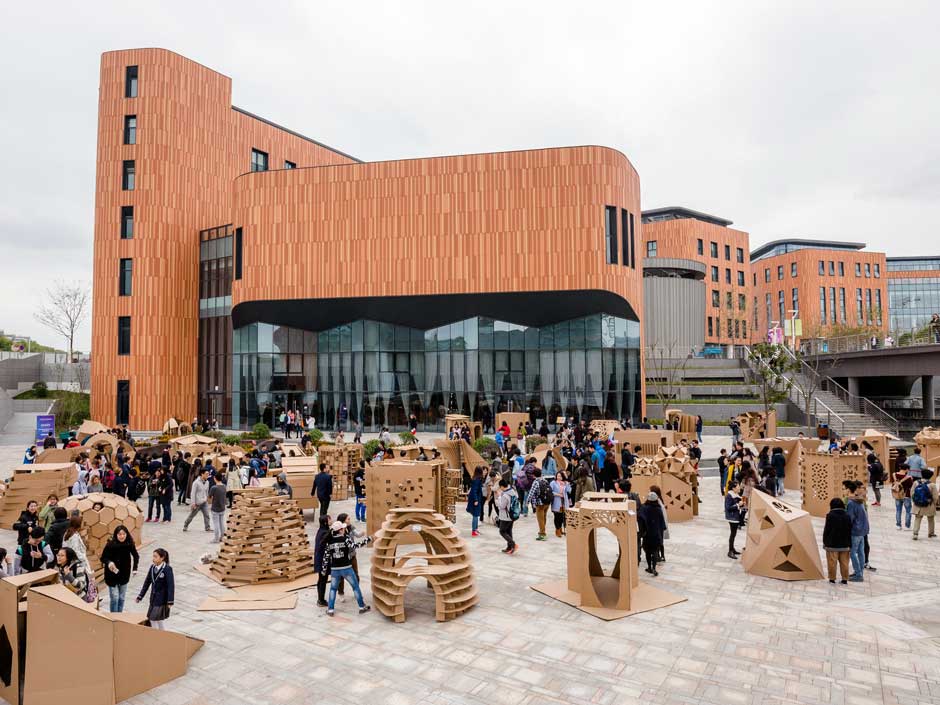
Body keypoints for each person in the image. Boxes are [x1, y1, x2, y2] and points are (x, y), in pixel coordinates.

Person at [322, 521, 372, 617]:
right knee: (355, 587)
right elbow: (355, 546)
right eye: (343, 528)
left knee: (333, 589)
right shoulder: (345, 539)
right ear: (340, 530)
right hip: (347, 568)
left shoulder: (329, 541)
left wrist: (324, 570)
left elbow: (326, 557)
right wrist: (368, 539)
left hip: (335, 570)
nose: (345, 529)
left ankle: (330, 610)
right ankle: (362, 607)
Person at [101, 524, 140, 612]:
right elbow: (103, 558)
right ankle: (114, 616)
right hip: (111, 574)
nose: (122, 536)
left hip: (124, 573)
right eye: (119, 534)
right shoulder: (110, 545)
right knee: (115, 597)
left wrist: (135, 568)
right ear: (116, 535)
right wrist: (109, 562)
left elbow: (136, 556)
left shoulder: (129, 543)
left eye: (124, 534)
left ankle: (120, 615)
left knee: (121, 598)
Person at [136, 548, 174, 630]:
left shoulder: (167, 569)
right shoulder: (152, 567)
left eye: (155, 557)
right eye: (153, 556)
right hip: (153, 599)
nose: (153, 559)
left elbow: (171, 586)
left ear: (162, 558)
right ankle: (163, 636)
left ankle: (156, 636)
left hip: (162, 600)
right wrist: (140, 596)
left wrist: (170, 601)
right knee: (158, 620)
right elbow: (146, 583)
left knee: (153, 619)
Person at [823, 498, 852, 584]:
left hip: (832, 544)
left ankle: (832, 578)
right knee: (844, 563)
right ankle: (845, 579)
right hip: (845, 543)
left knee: (832, 562)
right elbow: (849, 529)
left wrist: (825, 541)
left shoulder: (830, 515)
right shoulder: (847, 516)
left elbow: (827, 530)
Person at [637, 492, 665, 576]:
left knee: (648, 551)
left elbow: (640, 519)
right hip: (656, 533)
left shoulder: (644, 508)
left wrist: (641, 532)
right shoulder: (658, 509)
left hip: (647, 533)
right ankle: (654, 568)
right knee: (655, 550)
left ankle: (649, 567)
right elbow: (662, 523)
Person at [845, 485, 869, 582]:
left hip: (855, 531)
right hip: (863, 530)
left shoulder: (851, 503)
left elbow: (850, 519)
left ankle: (858, 574)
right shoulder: (861, 502)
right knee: (860, 552)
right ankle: (860, 572)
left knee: (852, 552)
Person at [911, 469, 937, 541]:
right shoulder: (932, 485)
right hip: (928, 505)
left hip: (918, 505)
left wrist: (915, 501)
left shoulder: (916, 482)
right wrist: (933, 504)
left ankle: (915, 534)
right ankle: (931, 533)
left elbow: (912, 493)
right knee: (931, 519)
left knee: (918, 518)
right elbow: (935, 497)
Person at [495, 478, 519, 555]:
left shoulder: (505, 495)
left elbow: (502, 506)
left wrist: (498, 498)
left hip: (506, 516)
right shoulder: (513, 491)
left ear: (502, 486)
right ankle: (509, 547)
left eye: (500, 487)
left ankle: (513, 545)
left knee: (502, 531)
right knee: (509, 531)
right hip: (512, 515)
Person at [313, 514, 333, 607]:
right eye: (329, 519)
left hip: (319, 559)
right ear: (325, 522)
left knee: (321, 579)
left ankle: (320, 599)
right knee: (323, 580)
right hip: (323, 561)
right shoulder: (325, 533)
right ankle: (321, 600)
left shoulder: (321, 531)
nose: (331, 521)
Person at [528, 468, 552, 541]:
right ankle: (542, 531)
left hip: (540, 503)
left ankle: (542, 534)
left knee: (540, 519)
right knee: (544, 518)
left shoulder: (536, 482)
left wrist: (527, 502)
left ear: (533, 475)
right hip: (547, 502)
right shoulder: (545, 480)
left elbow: (531, 493)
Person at [724, 482, 745, 559]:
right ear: (733, 488)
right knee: (733, 534)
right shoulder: (729, 496)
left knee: (734, 533)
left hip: (735, 516)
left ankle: (732, 549)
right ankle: (730, 551)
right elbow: (728, 508)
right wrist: (738, 505)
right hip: (732, 517)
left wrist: (741, 504)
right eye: (738, 487)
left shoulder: (735, 495)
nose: (739, 488)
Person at [891, 465, 914, 530]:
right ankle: (907, 526)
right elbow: (911, 487)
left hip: (897, 495)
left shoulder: (894, 475)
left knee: (898, 510)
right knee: (908, 511)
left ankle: (898, 525)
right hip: (906, 495)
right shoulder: (908, 478)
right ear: (907, 469)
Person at [550, 471, 571, 537]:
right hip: (556, 502)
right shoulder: (553, 483)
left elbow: (569, 491)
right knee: (557, 517)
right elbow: (550, 491)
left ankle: (561, 529)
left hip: (564, 502)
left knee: (562, 517)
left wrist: (567, 484)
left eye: (560, 476)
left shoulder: (565, 483)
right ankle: (557, 530)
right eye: (557, 476)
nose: (559, 477)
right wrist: (558, 494)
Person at [208, 476, 228, 543]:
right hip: (222, 507)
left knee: (216, 524)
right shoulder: (224, 486)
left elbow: (209, 497)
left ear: (215, 479)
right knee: (221, 523)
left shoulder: (214, 487)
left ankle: (216, 539)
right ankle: (222, 537)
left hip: (215, 508)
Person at [466, 467, 484, 537]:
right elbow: (474, 491)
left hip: (474, 498)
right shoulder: (477, 480)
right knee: (475, 515)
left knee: (475, 514)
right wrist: (476, 500)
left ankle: (475, 529)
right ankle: (474, 530)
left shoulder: (476, 478)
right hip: (475, 499)